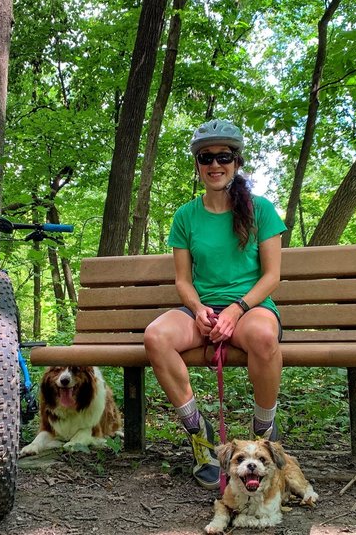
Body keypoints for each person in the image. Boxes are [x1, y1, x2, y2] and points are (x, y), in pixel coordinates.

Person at [143, 119, 287, 490]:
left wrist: (237, 309)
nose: (214, 164)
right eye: (206, 157)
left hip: (250, 307)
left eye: (224, 156)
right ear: (198, 164)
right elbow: (183, 280)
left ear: (236, 162)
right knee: (155, 336)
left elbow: (271, 276)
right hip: (202, 311)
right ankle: (202, 440)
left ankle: (264, 439)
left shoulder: (261, 210)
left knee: (263, 338)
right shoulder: (185, 216)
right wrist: (198, 310)